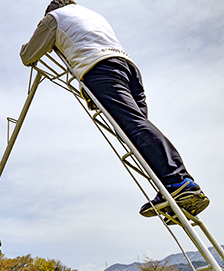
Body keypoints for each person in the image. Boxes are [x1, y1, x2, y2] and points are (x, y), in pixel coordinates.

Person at [20, 0, 209, 218]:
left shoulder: (54, 18)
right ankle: (169, 189)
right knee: (136, 131)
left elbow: (28, 55)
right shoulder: (90, 14)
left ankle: (180, 181)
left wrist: (33, 41)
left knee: (133, 127)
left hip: (100, 68)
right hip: (127, 67)